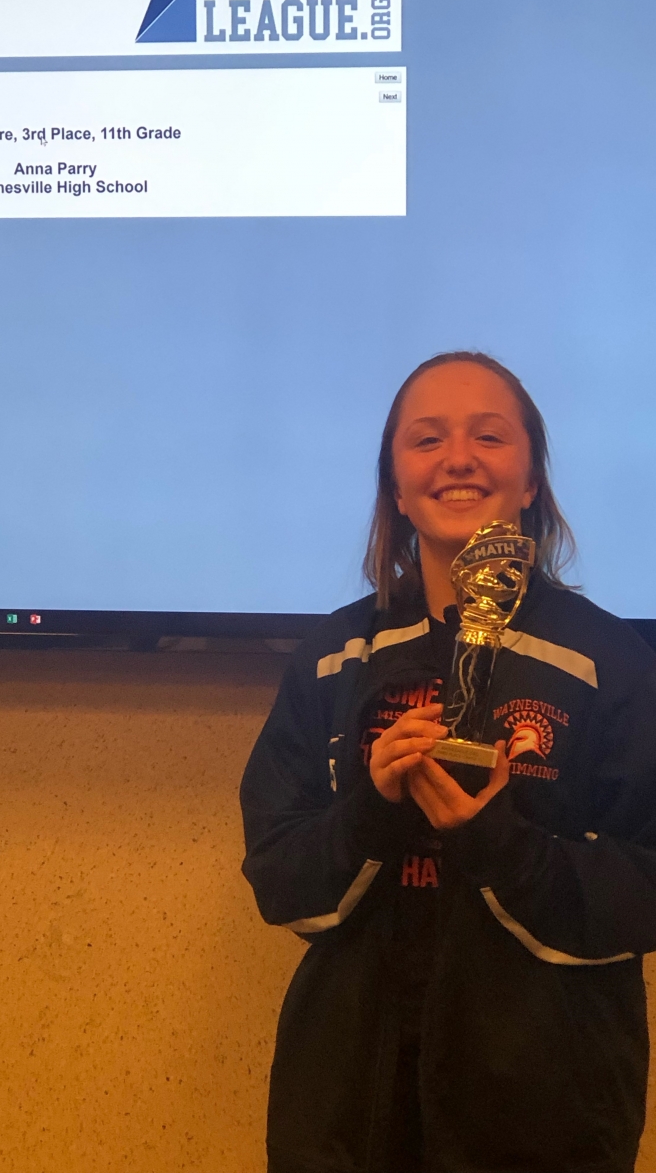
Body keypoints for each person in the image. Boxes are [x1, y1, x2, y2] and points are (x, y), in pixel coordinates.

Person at [240, 352, 656, 1173]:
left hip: (547, 1109)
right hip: (348, 1106)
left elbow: (648, 887)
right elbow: (280, 879)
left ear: (531, 479)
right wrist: (374, 808)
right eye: (427, 439)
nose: (458, 458)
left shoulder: (612, 659)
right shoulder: (331, 658)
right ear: (396, 487)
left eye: (489, 437)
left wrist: (499, 844)